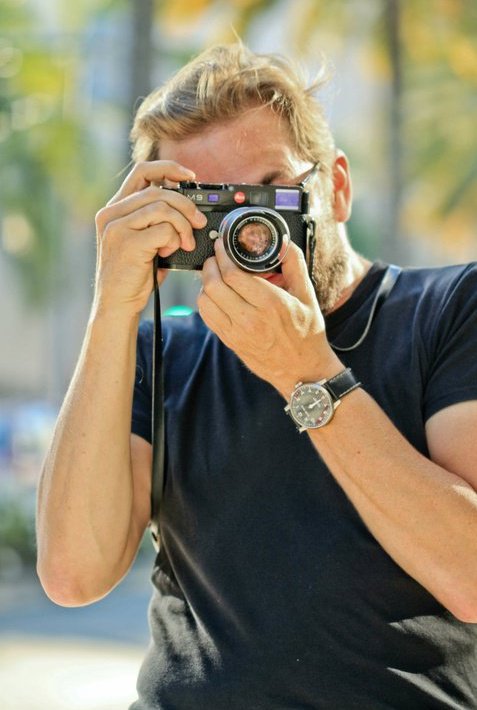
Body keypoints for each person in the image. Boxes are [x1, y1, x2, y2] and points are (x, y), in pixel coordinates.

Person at [36, 43, 477, 709]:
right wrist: (112, 308)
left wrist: (308, 375)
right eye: (215, 204)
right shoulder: (162, 353)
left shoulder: (449, 312)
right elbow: (73, 575)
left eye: (272, 191)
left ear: (338, 186)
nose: (251, 228)